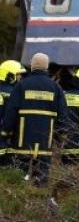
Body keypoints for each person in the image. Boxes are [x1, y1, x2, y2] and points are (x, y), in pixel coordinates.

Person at [2, 53, 67, 186]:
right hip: (45, 144)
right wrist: (58, 137)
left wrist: (5, 133)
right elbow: (63, 117)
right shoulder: (56, 88)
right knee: (41, 181)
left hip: (21, 143)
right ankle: (40, 202)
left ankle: (20, 202)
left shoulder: (21, 86)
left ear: (32, 67)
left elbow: (10, 113)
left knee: (19, 180)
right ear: (46, 67)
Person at [0, 60, 26, 165]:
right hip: (8, 134)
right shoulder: (14, 92)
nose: (21, 78)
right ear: (11, 75)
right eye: (19, 75)